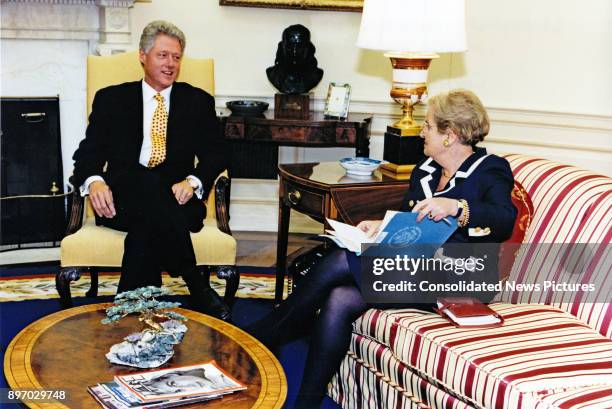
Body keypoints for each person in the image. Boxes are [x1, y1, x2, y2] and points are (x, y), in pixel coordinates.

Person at [246, 89, 517, 408]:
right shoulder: (426, 170)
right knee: (339, 299)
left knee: (337, 263)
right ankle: (305, 401)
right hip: (415, 269)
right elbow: (409, 221)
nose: (421, 131)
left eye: (428, 125)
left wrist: (458, 207)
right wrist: (379, 225)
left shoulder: (490, 168)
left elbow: (503, 220)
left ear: (450, 134)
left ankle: (266, 334)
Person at [71, 20, 230, 321]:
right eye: (162, 55)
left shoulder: (197, 101)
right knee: (143, 181)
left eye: (176, 57)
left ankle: (130, 305)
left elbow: (217, 153)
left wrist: (194, 181)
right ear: (142, 56)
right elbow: (87, 154)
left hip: (178, 201)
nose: (171, 64)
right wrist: (94, 182)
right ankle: (196, 283)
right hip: (122, 202)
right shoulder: (111, 99)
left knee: (145, 230)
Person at [266, 24, 324, 94]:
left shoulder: (315, 75)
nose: (294, 51)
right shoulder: (273, 74)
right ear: (282, 47)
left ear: (308, 48)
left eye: (300, 47)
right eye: (289, 46)